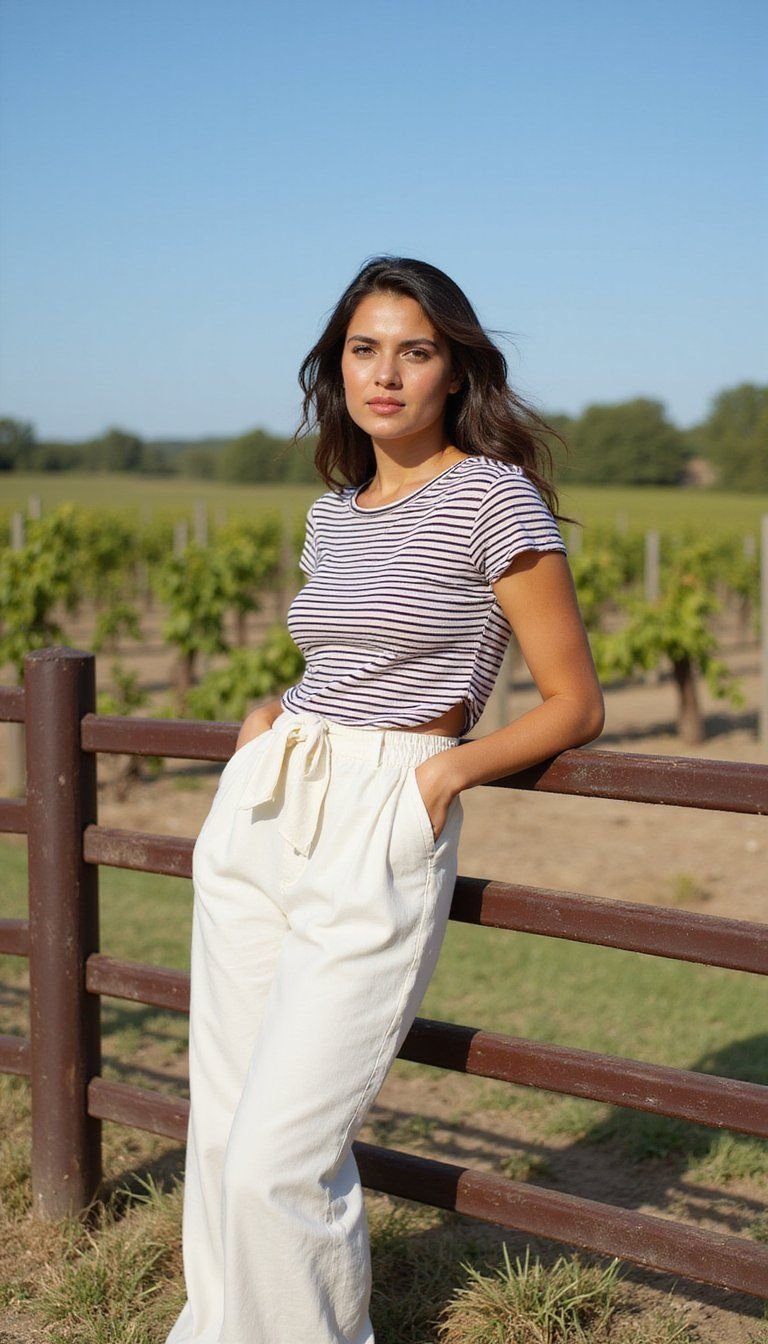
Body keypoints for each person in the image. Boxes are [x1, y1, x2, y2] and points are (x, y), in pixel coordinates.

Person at [165, 255, 604, 1344]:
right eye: (366, 349)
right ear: (338, 367)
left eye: (416, 351)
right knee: (221, 1128)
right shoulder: (336, 510)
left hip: (387, 804)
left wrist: (444, 770)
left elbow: (574, 703)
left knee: (279, 1154)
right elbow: (342, 653)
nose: (387, 374)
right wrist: (275, 716)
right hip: (274, 794)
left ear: (456, 371)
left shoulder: (496, 497)